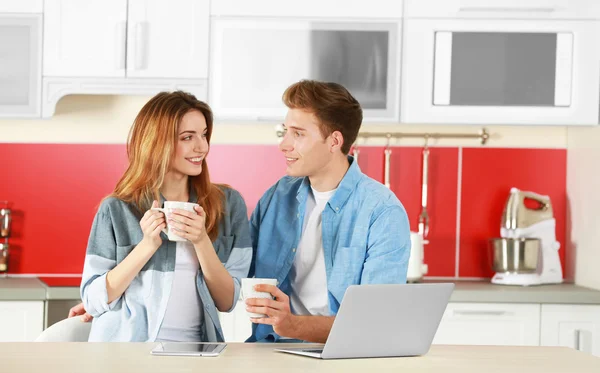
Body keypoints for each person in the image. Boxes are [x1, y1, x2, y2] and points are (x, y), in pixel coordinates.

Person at [244, 80, 410, 343]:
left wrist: (292, 326)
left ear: (334, 141)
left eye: (298, 134)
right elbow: (237, 272)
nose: (284, 145)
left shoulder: (382, 212)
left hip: (342, 356)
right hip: (270, 352)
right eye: (285, 132)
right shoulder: (278, 196)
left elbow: (374, 322)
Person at [77, 91, 251, 342]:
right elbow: (93, 300)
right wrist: (146, 246)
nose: (201, 147)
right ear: (157, 142)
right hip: (126, 355)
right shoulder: (116, 209)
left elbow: (228, 301)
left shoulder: (228, 205)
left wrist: (201, 241)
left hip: (197, 353)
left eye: (203, 135)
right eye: (187, 137)